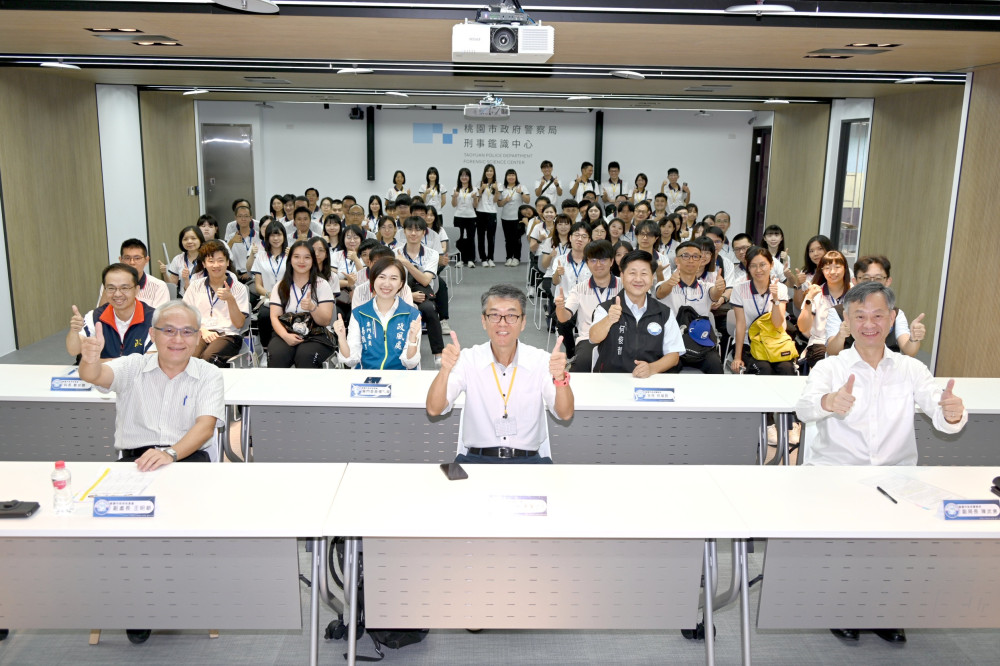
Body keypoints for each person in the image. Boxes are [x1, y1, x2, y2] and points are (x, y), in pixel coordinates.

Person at [795, 281, 966, 646]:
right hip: (837, 473)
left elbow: (939, 410)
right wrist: (828, 402)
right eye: (860, 316)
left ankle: (885, 610)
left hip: (895, 475)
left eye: (877, 316)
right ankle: (843, 607)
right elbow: (804, 408)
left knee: (897, 541)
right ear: (847, 319)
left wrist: (951, 414)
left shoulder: (911, 369)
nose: (869, 324)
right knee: (849, 539)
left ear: (892, 319)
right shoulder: (831, 367)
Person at [426, 284, 573, 463]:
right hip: (477, 460)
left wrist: (560, 379)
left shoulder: (541, 360)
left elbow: (565, 414)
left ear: (523, 322)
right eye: (494, 315)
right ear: (483, 321)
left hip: (529, 462)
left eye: (511, 316)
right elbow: (434, 409)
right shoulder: (467, 359)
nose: (502, 323)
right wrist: (445, 369)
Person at [590, 250, 685, 375]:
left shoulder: (664, 312)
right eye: (632, 273)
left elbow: (673, 355)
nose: (638, 279)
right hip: (612, 377)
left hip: (650, 379)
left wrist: (651, 368)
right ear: (622, 276)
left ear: (652, 278)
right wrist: (609, 319)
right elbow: (593, 338)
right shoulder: (606, 308)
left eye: (644, 273)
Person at [825, 255, 926, 358]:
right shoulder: (837, 312)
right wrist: (841, 335)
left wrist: (914, 338)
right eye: (866, 278)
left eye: (878, 278)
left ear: (888, 281)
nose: (871, 284)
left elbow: (909, 351)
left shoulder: (896, 314)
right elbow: (832, 352)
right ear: (855, 281)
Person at [334, 256, 422, 370]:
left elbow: (410, 364)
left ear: (401, 284)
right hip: (367, 376)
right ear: (373, 280)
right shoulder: (359, 314)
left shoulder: (412, 315)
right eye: (381, 277)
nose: (386, 284)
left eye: (393, 278)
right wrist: (341, 338)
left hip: (400, 376)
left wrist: (412, 341)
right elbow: (350, 360)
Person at [655, 241, 726, 374]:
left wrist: (719, 288)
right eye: (686, 256)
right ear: (677, 260)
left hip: (701, 343)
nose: (691, 260)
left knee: (715, 364)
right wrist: (670, 283)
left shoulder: (706, 286)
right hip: (672, 344)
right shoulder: (666, 284)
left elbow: (715, 294)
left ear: (700, 261)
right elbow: (660, 293)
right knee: (667, 371)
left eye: (695, 256)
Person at [554, 240, 622, 373]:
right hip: (588, 339)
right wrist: (560, 308)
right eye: (593, 260)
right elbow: (564, 318)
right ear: (587, 262)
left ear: (612, 261)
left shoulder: (623, 285)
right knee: (582, 365)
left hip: (618, 337)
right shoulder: (579, 288)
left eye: (603, 260)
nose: (598, 264)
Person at [267, 240, 335, 368]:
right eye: (297, 257)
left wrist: (312, 308)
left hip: (316, 334)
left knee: (306, 355)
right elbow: (274, 317)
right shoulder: (280, 286)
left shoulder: (322, 285)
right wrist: (285, 336)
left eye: (307, 257)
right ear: (290, 260)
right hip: (286, 331)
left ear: (313, 260)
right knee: (278, 354)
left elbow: (326, 320)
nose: (301, 261)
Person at [68, 263, 155, 361]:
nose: (117, 294)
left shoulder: (154, 318)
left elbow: (149, 362)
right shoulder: (95, 316)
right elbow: (73, 351)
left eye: (124, 288)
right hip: (103, 371)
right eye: (111, 288)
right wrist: (74, 331)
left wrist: (98, 362)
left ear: (136, 290)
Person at [182, 240, 249, 367]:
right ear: (204, 264)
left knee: (208, 358)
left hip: (228, 335)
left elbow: (239, 324)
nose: (216, 265)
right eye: (211, 261)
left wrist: (230, 299)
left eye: (220, 260)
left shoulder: (239, 288)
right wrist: (202, 330)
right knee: (190, 357)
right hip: (200, 333)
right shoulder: (195, 286)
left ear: (227, 262)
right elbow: (185, 316)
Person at [730, 246, 795, 375]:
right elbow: (741, 324)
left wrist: (775, 298)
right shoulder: (739, 289)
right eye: (753, 266)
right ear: (748, 267)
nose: (758, 270)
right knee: (764, 369)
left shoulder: (780, 288)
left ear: (771, 265)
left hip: (774, 342)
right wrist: (737, 357)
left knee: (786, 369)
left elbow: (777, 323)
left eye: (762, 265)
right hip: (748, 342)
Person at [395, 216, 444, 366]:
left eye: (417, 230)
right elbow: (389, 281)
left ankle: (438, 353)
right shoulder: (394, 252)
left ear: (424, 232)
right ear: (404, 232)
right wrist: (408, 295)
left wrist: (406, 263)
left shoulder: (432, 254)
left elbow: (425, 280)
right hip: (398, 290)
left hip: (421, 288)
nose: (413, 233)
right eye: (409, 229)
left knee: (430, 309)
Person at [798, 249, 852, 369]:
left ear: (845, 268)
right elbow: (802, 327)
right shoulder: (816, 293)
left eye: (837, 267)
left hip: (848, 343)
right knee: (828, 363)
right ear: (821, 271)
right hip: (819, 343)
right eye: (827, 268)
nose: (832, 272)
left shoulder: (854, 293)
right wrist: (809, 299)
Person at [98, 239, 170, 309]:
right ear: (120, 260)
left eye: (137, 258)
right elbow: (100, 313)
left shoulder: (159, 286)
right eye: (127, 258)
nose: (132, 262)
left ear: (146, 260)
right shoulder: (110, 285)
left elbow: (159, 316)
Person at [159, 225, 204, 297]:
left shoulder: (207, 258)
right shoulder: (178, 259)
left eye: (193, 238)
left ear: (200, 240)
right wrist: (164, 273)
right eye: (185, 239)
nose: (189, 241)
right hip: (184, 298)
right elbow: (172, 284)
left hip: (204, 297)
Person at [498, 168, 530, 266]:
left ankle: (516, 258)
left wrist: (521, 193)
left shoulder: (521, 187)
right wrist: (505, 200)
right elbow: (499, 204)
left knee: (517, 239)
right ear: (506, 177)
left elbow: (527, 200)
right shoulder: (502, 188)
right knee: (508, 240)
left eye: (513, 175)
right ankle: (508, 258)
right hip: (505, 218)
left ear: (516, 177)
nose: (511, 177)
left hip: (518, 218)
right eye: (509, 175)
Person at [452, 167, 478, 268]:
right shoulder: (456, 188)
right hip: (459, 216)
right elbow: (454, 205)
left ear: (469, 177)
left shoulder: (474, 189)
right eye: (462, 175)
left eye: (466, 175)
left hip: (471, 216)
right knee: (459, 238)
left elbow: (475, 205)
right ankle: (460, 260)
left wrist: (475, 198)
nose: (464, 177)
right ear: (459, 177)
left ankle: (471, 259)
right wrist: (454, 197)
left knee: (471, 238)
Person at [474, 163, 500, 267]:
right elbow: (476, 199)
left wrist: (496, 189)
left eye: (491, 171)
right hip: (480, 212)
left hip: (492, 213)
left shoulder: (497, 184)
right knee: (481, 237)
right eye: (487, 171)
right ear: (485, 172)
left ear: (494, 173)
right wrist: (481, 189)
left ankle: (490, 258)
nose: (489, 173)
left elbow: (495, 200)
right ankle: (483, 259)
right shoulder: (479, 183)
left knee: (491, 237)